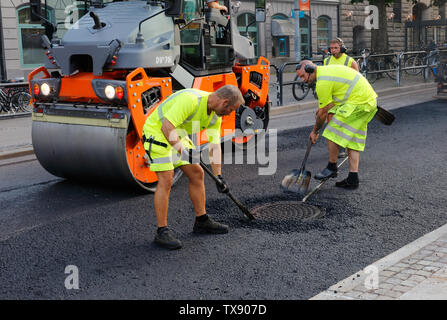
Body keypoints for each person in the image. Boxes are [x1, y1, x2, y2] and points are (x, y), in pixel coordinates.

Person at [142, 85, 244, 250]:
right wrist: (183, 151)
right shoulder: (190, 100)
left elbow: (214, 146)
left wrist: (219, 177)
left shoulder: (215, 117)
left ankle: (201, 221)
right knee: (167, 177)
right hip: (157, 131)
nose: (230, 114)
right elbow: (166, 127)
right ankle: (162, 231)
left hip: (178, 134)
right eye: (231, 110)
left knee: (197, 173)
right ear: (225, 102)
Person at [296, 60, 378, 189]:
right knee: (352, 141)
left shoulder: (322, 82)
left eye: (302, 76)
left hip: (358, 102)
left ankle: (332, 167)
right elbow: (334, 98)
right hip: (367, 101)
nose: (302, 80)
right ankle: (352, 179)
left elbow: (323, 113)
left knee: (332, 132)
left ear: (311, 70)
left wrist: (315, 131)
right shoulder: (326, 72)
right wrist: (324, 109)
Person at [324, 38, 359, 158]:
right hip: (332, 98)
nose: (333, 50)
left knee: (343, 122)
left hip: (347, 98)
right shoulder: (327, 61)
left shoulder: (350, 62)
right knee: (332, 123)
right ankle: (337, 146)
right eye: (331, 48)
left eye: (335, 48)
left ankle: (343, 147)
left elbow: (358, 80)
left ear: (342, 48)